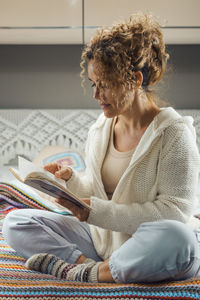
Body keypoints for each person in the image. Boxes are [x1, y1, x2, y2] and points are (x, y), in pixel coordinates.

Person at [2, 13, 200, 283]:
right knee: (16, 223)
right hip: (101, 242)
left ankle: (92, 271)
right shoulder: (100, 129)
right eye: (94, 84)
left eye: (104, 85)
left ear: (135, 80)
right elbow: (101, 194)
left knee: (180, 239)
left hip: (151, 246)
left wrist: (96, 212)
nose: (95, 95)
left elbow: (174, 213)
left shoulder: (174, 134)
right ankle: (87, 267)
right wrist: (69, 182)